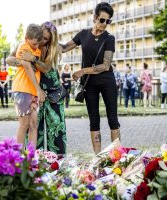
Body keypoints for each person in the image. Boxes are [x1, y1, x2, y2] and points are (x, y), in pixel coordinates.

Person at [60, 2, 120, 154]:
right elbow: (65, 48)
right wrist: (47, 42)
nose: (105, 24)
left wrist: (82, 71)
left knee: (112, 119)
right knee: (94, 121)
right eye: (102, 20)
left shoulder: (109, 38)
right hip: (90, 84)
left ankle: (117, 158)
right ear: (95, 17)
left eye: (108, 21)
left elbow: (106, 65)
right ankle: (98, 158)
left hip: (107, 82)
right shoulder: (83, 34)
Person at [7, 22, 67, 155]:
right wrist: (22, 62)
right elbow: (9, 59)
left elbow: (45, 68)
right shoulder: (28, 44)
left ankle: (55, 161)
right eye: (41, 37)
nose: (41, 41)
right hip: (31, 90)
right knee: (31, 126)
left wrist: (33, 59)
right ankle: (29, 158)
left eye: (45, 39)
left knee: (55, 128)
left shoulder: (52, 49)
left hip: (52, 93)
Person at [11, 24, 46, 147]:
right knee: (24, 124)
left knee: (33, 124)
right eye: (34, 44)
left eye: (38, 44)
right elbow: (26, 66)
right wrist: (39, 89)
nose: (36, 46)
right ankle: (19, 158)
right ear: (26, 38)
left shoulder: (37, 49)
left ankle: (31, 157)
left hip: (32, 92)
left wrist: (36, 90)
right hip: (22, 89)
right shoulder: (23, 46)